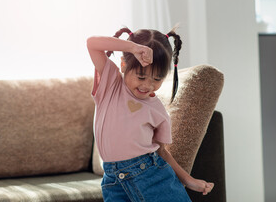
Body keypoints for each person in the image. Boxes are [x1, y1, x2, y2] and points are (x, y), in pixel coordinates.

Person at [87, 27, 214, 202]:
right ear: (123, 65)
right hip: (113, 181)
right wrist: (133, 48)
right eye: (141, 77)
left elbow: (162, 151)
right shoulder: (111, 84)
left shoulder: (157, 110)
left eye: (156, 79)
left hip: (151, 176)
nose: (147, 85)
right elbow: (92, 43)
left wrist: (189, 180)